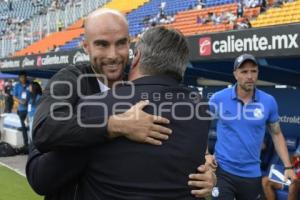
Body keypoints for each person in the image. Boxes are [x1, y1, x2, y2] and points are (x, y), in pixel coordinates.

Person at [28, 9, 216, 199]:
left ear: (130, 44)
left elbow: (187, 135)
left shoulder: (142, 80)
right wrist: (114, 125)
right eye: (102, 44)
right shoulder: (69, 81)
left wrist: (206, 168)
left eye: (120, 43)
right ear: (86, 46)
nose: (113, 55)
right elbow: (43, 136)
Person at [206, 53, 297, 200]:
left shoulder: (268, 101)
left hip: (251, 174)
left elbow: (276, 134)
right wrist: (206, 154)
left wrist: (287, 166)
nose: (250, 76)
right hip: (223, 170)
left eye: (253, 71)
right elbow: (202, 126)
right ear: (235, 74)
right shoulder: (218, 98)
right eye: (244, 71)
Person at [13, 71, 30, 148]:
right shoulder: (17, 85)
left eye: (24, 77)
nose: (23, 78)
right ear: (19, 78)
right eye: (22, 77)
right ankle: (26, 144)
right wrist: (20, 101)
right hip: (21, 109)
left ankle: (33, 143)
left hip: (30, 109)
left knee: (31, 126)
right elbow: (14, 96)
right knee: (23, 127)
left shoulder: (30, 84)